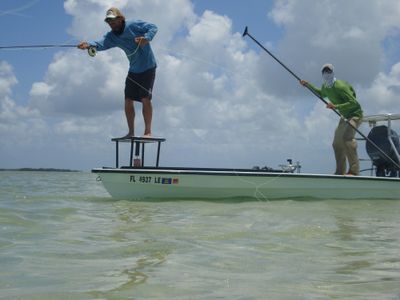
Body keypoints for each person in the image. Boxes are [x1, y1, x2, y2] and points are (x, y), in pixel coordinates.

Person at [78, 7, 157, 138]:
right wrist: (88, 44)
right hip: (133, 69)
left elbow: (153, 27)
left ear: (121, 19)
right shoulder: (112, 36)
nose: (111, 24)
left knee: (145, 98)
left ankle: (148, 132)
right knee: (128, 100)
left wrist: (147, 38)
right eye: (108, 22)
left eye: (113, 21)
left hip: (148, 67)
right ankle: (131, 132)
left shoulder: (133, 25)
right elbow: (101, 43)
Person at [300, 63, 363, 175]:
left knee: (347, 138)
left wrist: (336, 106)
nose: (326, 74)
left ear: (333, 72)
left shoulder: (340, 86)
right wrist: (308, 85)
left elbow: (354, 103)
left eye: (329, 71)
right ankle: (340, 172)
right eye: (324, 72)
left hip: (355, 115)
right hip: (344, 117)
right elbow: (321, 93)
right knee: (336, 143)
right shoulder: (325, 87)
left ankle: (354, 171)